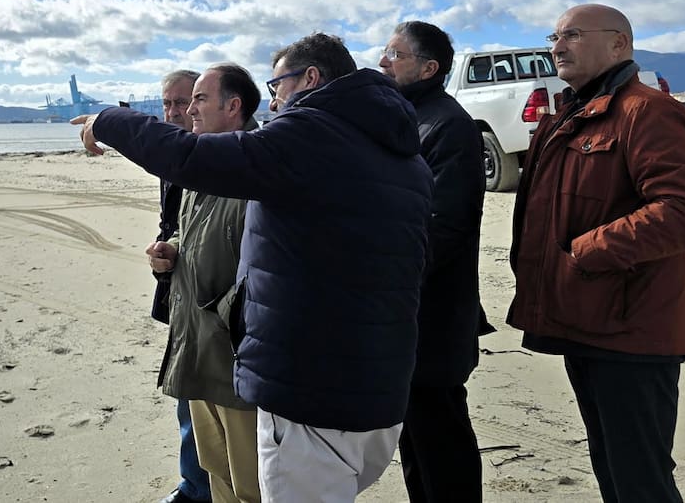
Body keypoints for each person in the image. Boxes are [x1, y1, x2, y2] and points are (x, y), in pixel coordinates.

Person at [76, 33, 432, 502]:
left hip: (311, 387)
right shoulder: (400, 154)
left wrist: (108, 120)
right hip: (379, 382)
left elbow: (188, 157)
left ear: (310, 78)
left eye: (277, 85)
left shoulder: (312, 134)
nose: (275, 101)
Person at [507, 4, 685, 503]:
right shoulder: (575, 113)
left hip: (632, 329)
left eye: (573, 35)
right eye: (554, 36)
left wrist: (585, 254)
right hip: (586, 319)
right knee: (612, 468)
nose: (558, 47)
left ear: (618, 43)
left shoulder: (647, 110)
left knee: (639, 478)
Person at [379, 21, 488, 502]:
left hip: (435, 314)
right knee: (414, 439)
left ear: (429, 68)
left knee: (441, 438)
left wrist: (383, 279)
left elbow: (445, 227)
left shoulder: (448, 125)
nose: (383, 61)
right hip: (403, 311)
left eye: (396, 54)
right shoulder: (406, 120)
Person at [146, 64, 262, 503]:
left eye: (196, 99)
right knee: (215, 467)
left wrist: (225, 316)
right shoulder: (201, 161)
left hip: (235, 355)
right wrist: (171, 251)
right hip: (195, 342)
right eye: (176, 102)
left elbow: (272, 263)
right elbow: (189, 229)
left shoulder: (259, 166)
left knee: (251, 480)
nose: (186, 110)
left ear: (233, 107)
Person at [153, 70, 212, 503]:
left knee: (203, 396)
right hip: (181, 287)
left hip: (214, 298)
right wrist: (165, 252)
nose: (175, 111)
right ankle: (194, 486)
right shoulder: (172, 155)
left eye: (184, 101)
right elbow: (173, 223)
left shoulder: (217, 152)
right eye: (167, 103)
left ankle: (200, 488)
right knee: (187, 392)